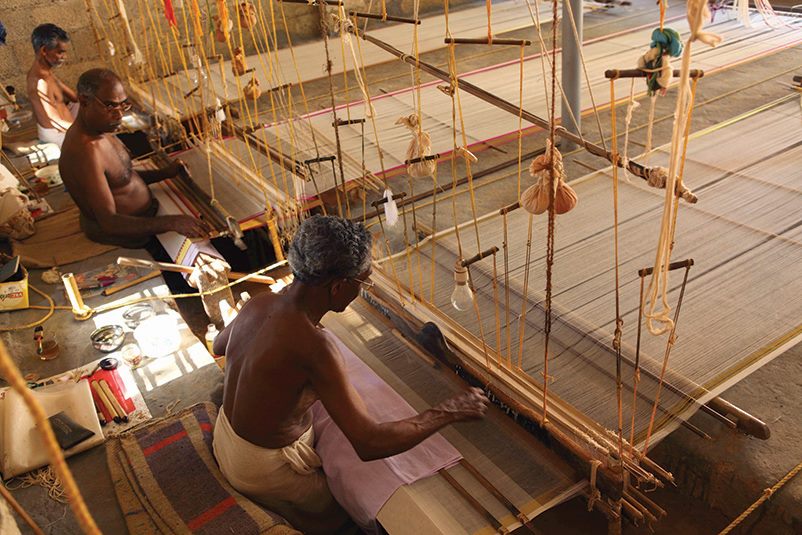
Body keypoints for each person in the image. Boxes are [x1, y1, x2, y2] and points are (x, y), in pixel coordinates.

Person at [212, 215, 489, 534]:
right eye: (364, 280)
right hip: (265, 470)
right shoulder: (316, 348)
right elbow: (369, 443)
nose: (365, 287)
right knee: (346, 511)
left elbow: (221, 345)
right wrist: (449, 410)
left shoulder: (259, 304)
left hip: (228, 438)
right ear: (339, 287)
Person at [59, 69, 210, 248]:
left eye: (123, 105)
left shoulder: (102, 129)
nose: (120, 115)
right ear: (84, 101)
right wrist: (172, 222)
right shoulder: (84, 152)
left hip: (144, 216)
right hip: (125, 235)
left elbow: (121, 177)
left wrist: (164, 173)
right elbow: (110, 223)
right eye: (110, 106)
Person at [26, 24, 78, 147]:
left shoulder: (47, 72)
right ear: (44, 51)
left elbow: (75, 98)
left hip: (65, 128)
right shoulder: (40, 81)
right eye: (60, 52)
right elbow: (55, 122)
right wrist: (84, 129)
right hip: (57, 136)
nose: (64, 57)